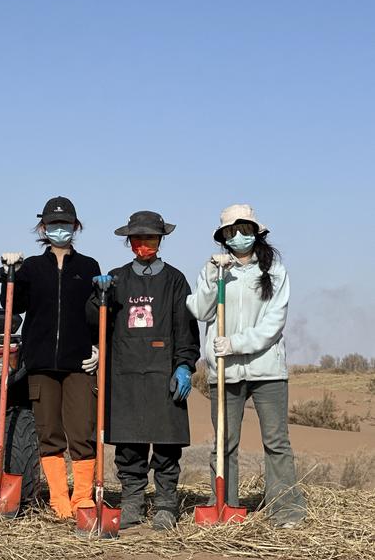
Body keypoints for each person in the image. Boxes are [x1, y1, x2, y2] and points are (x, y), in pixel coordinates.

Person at [186, 204, 306, 528]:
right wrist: (215, 276)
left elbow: (274, 323)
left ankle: (286, 510)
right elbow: (200, 309)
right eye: (231, 231)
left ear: (256, 232)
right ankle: (223, 505)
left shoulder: (274, 270)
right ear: (223, 236)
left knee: (276, 442)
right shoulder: (213, 269)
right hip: (225, 371)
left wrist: (236, 343)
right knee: (223, 443)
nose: (238, 236)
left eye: (244, 229)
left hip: (267, 369)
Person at [90, 211, 200, 530]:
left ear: (161, 239)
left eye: (150, 238)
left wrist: (184, 365)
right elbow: (93, 322)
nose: (144, 244)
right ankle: (131, 503)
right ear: (129, 241)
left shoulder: (175, 280)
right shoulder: (116, 279)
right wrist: (98, 297)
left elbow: (186, 329)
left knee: (167, 446)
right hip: (124, 375)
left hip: (164, 374)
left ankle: (165, 505)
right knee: (129, 447)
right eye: (138, 238)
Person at [0, 196, 101, 519]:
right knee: (49, 433)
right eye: (54, 224)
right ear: (43, 227)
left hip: (79, 364)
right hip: (41, 363)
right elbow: (13, 305)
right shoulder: (31, 267)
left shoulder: (89, 267)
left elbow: (96, 314)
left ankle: (82, 498)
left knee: (82, 432)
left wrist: (98, 347)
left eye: (66, 223)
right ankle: (59, 500)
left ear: (76, 226)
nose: (60, 229)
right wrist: (10, 273)